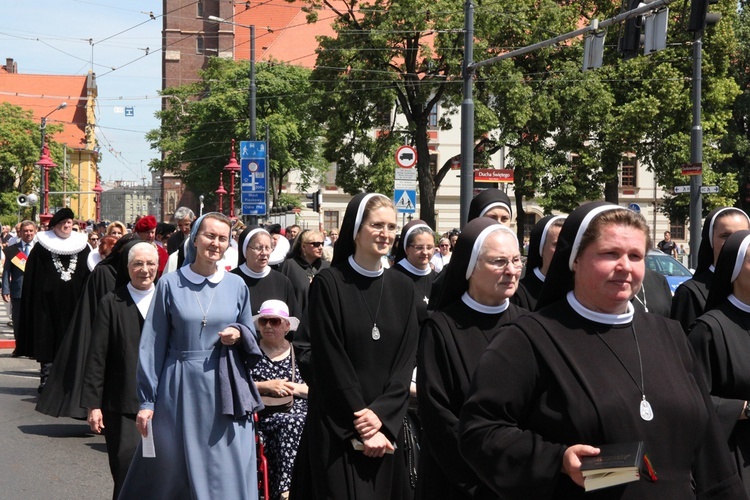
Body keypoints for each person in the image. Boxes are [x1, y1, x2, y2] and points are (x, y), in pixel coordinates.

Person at [458, 202, 745, 498]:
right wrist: (557, 460)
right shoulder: (529, 339)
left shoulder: (669, 334)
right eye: (610, 254)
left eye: (635, 256)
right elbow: (480, 431)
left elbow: (709, 446)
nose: (625, 266)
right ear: (575, 259)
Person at [118, 212, 263, 499]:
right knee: (174, 468)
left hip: (224, 388)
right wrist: (147, 400)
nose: (216, 243)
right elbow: (152, 344)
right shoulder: (170, 284)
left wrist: (238, 333)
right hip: (179, 388)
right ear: (195, 238)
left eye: (223, 238)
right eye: (210, 235)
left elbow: (251, 335)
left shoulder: (237, 285)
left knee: (224, 465)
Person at [291, 193, 419, 499]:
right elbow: (328, 358)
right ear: (356, 230)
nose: (385, 233)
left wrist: (382, 418)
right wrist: (361, 417)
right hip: (338, 425)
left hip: (386, 428)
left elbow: (405, 361)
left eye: (391, 226)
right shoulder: (329, 284)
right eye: (376, 225)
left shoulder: (403, 288)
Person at [417, 218, 527, 500]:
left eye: (516, 260)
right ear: (470, 266)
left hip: (518, 479)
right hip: (460, 481)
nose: (512, 271)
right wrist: (487, 475)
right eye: (499, 262)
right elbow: (438, 416)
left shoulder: (529, 325)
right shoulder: (441, 328)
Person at [81, 242, 158, 499]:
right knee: (126, 470)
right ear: (127, 267)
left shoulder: (167, 300)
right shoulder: (112, 302)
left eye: (150, 264)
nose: (145, 270)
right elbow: (97, 356)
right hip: (122, 405)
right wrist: (93, 405)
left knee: (163, 475)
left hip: (165, 403)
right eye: (138, 264)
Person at [689, 229, 750, 495]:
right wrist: (745, 409)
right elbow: (691, 402)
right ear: (734, 269)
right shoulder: (709, 329)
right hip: (734, 458)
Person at [16, 208, 91, 392]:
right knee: (47, 339)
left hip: (75, 303)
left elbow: (89, 274)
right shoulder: (42, 247)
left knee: (73, 339)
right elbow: (32, 278)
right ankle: (47, 377)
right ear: (55, 226)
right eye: (62, 223)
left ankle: (71, 379)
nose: (67, 226)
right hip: (46, 304)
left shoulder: (82, 246)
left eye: (69, 222)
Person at [252, 300, 308, 500]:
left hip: (299, 414)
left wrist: (291, 388)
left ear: (286, 326)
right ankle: (286, 490)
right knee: (291, 423)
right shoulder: (250, 353)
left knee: (300, 422)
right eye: (263, 321)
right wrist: (266, 386)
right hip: (263, 417)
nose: (268, 326)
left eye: (274, 322)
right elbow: (237, 387)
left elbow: (317, 389)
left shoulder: (299, 353)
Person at [671, 207, 750, 331]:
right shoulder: (690, 293)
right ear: (711, 240)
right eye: (725, 236)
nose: (735, 242)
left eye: (742, 235)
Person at [231, 226, 299, 318]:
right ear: (246, 250)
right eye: (258, 248)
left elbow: (294, 318)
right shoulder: (231, 279)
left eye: (268, 248)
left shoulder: (282, 281)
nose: (264, 253)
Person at [512, 215, 566, 311]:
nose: (564, 250)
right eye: (557, 245)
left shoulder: (579, 290)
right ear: (541, 248)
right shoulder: (518, 293)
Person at [390, 220, 437, 326]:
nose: (425, 252)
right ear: (407, 249)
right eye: (419, 247)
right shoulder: (392, 277)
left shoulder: (438, 278)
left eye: (429, 247)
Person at [2, 220, 36, 354]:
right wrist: (5, 289)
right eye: (25, 231)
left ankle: (33, 348)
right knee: (18, 320)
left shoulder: (40, 248)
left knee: (35, 320)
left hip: (36, 290)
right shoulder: (12, 250)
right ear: (20, 233)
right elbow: (6, 271)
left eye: (31, 231)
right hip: (18, 290)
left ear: (35, 231)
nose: (28, 234)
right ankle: (20, 347)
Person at [278, 229, 329, 312]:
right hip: (297, 318)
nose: (320, 247)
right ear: (303, 246)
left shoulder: (326, 266)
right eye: (316, 244)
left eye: (322, 243)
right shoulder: (289, 266)